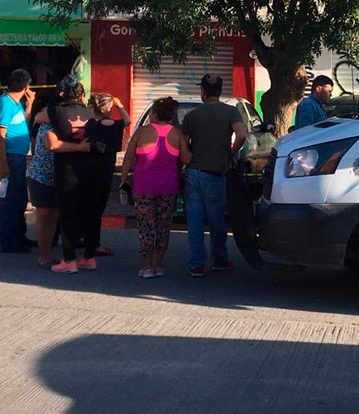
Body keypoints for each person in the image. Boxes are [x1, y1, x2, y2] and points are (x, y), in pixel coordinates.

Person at [181, 74, 247, 277]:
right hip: (216, 172)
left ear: (203, 91)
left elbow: (183, 144)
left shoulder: (192, 115)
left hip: (193, 172)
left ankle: (196, 264)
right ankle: (220, 259)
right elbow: (242, 134)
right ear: (220, 91)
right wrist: (232, 152)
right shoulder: (230, 111)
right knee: (216, 219)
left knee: (194, 219)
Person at [121, 97, 191, 278]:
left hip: (143, 186)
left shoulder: (141, 133)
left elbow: (128, 157)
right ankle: (158, 264)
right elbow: (185, 159)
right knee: (164, 225)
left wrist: (124, 178)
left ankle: (146, 266)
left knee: (146, 226)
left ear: (153, 114)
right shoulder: (177, 134)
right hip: (168, 186)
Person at [47, 76, 107, 273]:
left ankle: (69, 260)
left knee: (68, 215)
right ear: (82, 95)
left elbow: (51, 136)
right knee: (89, 214)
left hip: (67, 170)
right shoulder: (91, 112)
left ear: (62, 93)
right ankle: (89, 257)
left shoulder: (56, 110)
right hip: (91, 170)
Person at [27, 104, 91, 267]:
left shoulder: (61, 125)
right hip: (41, 176)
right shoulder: (48, 126)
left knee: (54, 216)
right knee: (43, 215)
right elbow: (53, 145)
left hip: (58, 176)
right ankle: (44, 256)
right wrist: (79, 147)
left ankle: (49, 252)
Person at [0, 69, 36, 254]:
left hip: (18, 157)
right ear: (26, 85)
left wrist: (30, 104)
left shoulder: (15, 104)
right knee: (10, 201)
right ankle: (9, 241)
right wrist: (3, 163)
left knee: (19, 200)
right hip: (10, 158)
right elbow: (0, 135)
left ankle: (19, 236)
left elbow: (21, 121)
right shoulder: (5, 104)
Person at [86, 92, 129, 257]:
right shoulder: (113, 124)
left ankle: (89, 239)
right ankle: (94, 243)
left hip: (90, 167)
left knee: (90, 207)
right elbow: (127, 121)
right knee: (98, 207)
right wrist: (120, 105)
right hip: (105, 169)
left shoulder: (90, 124)